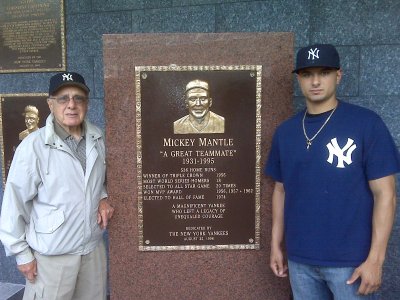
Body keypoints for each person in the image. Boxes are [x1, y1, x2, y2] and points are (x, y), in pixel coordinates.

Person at [265, 44, 400, 299]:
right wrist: (276, 245)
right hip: (300, 260)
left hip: (351, 263)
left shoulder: (366, 124)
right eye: (307, 74)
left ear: (338, 75)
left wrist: (375, 260)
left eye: (324, 72)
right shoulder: (286, 132)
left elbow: (386, 195)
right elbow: (281, 190)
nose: (315, 81)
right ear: (299, 79)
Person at [0, 72, 114, 299]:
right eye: (63, 99)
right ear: (50, 104)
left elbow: (97, 180)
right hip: (52, 256)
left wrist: (102, 197)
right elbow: (14, 202)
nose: (71, 105)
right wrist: (22, 254)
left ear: (87, 104)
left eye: (78, 98)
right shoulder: (33, 146)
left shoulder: (97, 138)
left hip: (92, 251)